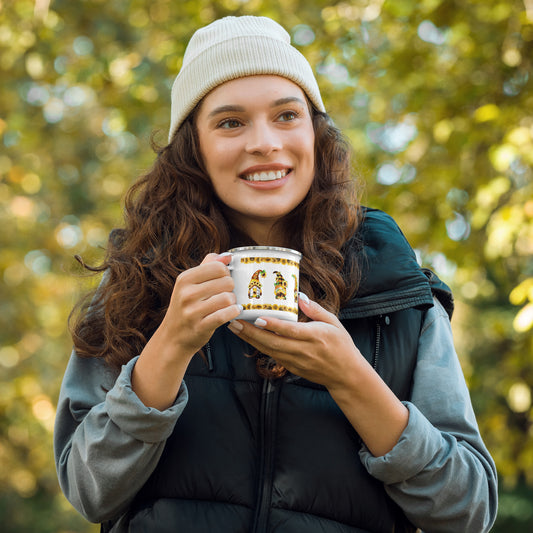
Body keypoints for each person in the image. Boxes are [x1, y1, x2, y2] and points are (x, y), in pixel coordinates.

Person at [54, 15, 498, 533]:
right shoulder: (137, 283)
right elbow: (88, 492)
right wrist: (170, 346)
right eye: (230, 122)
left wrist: (350, 378)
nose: (264, 142)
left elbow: (469, 511)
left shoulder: (395, 292)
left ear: (316, 133)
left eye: (287, 115)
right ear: (193, 148)